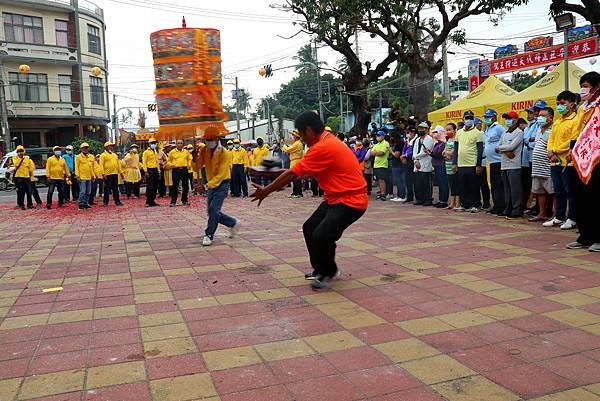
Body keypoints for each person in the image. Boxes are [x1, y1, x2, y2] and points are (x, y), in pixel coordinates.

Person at [250, 111, 367, 290]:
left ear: (309, 130)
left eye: (301, 135)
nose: (302, 139)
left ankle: (328, 272)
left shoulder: (323, 147)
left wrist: (266, 190)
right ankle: (321, 268)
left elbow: (292, 173)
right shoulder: (325, 140)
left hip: (351, 200)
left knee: (322, 235)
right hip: (335, 197)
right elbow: (303, 172)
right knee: (310, 227)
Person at [567, 71, 600, 251]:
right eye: (582, 86)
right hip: (580, 156)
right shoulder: (583, 107)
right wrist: (572, 149)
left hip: (596, 158)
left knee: (595, 198)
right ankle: (584, 235)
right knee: (580, 197)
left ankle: (598, 237)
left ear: (596, 88)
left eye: (586, 86)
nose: (583, 90)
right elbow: (577, 130)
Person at [196, 128, 240, 246]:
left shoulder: (224, 153)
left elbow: (221, 174)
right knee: (211, 212)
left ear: (217, 139)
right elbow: (198, 166)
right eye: (206, 139)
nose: (208, 141)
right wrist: (196, 157)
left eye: (210, 139)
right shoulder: (204, 150)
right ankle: (232, 223)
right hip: (211, 184)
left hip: (222, 183)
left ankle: (209, 234)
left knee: (214, 210)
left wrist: (206, 186)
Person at [544, 91, 579, 230]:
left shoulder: (576, 120)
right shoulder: (558, 121)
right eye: (558, 104)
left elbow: (572, 140)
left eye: (563, 103)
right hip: (554, 161)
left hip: (568, 162)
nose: (560, 106)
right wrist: (550, 150)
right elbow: (551, 138)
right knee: (558, 191)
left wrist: (556, 150)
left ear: (571, 104)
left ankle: (572, 217)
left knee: (570, 191)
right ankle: (559, 216)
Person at [453, 110, 484, 212]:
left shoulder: (477, 133)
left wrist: (478, 165)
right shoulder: (459, 132)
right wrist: (454, 163)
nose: (469, 120)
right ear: (463, 119)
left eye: (471, 118)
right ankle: (464, 204)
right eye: (467, 118)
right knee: (462, 185)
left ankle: (475, 204)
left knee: (473, 186)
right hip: (461, 163)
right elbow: (456, 148)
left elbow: (480, 150)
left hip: (472, 163)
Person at [496, 111, 524, 219]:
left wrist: (503, 148)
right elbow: (497, 147)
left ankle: (517, 209)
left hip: (514, 164)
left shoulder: (519, 132)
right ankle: (508, 208)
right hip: (504, 164)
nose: (507, 120)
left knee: (515, 188)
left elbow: (512, 147)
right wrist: (505, 150)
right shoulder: (505, 133)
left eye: (510, 118)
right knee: (507, 188)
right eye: (506, 118)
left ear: (516, 120)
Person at [529, 107, 554, 223]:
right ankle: (542, 213)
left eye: (543, 116)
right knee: (539, 192)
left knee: (552, 191)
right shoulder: (539, 130)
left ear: (550, 118)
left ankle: (556, 215)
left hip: (547, 166)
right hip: (537, 167)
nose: (540, 118)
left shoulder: (553, 130)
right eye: (539, 115)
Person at [523, 100, 547, 215]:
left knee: (545, 185)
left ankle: (544, 209)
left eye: (538, 110)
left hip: (542, 157)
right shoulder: (532, 125)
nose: (536, 113)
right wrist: (531, 140)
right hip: (531, 157)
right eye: (535, 110)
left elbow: (536, 140)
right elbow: (527, 140)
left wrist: (532, 140)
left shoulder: (544, 125)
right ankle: (537, 207)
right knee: (536, 185)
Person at [482, 108, 506, 214]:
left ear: (494, 117)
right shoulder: (487, 129)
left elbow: (505, 138)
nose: (486, 119)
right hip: (491, 162)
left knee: (499, 185)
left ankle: (501, 206)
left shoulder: (499, 128)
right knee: (494, 185)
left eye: (488, 117)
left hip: (499, 160)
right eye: (485, 117)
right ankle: (496, 205)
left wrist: (500, 147)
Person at [413, 122, 434, 206]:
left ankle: (427, 199)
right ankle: (419, 199)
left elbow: (425, 151)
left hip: (426, 162)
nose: (420, 130)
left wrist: (416, 157)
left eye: (423, 129)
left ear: (427, 129)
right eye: (419, 129)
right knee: (418, 183)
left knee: (426, 183)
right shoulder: (417, 140)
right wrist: (415, 160)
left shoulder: (429, 139)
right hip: (417, 162)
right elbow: (414, 150)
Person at [168, 139, 192, 207]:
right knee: (175, 186)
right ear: (176, 144)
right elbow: (169, 161)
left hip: (184, 169)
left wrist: (189, 165)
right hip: (176, 170)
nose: (180, 144)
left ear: (183, 144)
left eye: (181, 143)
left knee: (186, 186)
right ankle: (173, 201)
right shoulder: (172, 152)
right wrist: (172, 165)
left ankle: (184, 200)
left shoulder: (186, 152)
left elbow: (190, 159)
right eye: (178, 143)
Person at [99, 141, 123, 206]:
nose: (111, 147)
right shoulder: (103, 155)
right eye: (110, 146)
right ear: (106, 147)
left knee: (115, 189)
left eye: (112, 146)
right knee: (107, 189)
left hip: (115, 173)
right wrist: (103, 174)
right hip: (107, 174)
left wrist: (121, 172)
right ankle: (105, 202)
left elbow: (118, 164)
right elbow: (101, 165)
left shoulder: (114, 155)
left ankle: (117, 201)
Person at [430, 125, 448, 208]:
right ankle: (440, 200)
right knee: (439, 183)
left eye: (436, 132)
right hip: (436, 165)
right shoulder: (437, 143)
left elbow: (439, 154)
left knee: (443, 183)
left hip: (441, 165)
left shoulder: (443, 143)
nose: (434, 134)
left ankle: (444, 200)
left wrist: (430, 153)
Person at [11, 145, 34, 210]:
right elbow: (16, 164)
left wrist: (31, 173)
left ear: (24, 151)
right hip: (19, 176)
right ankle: (21, 205)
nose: (20, 152)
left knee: (29, 191)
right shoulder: (15, 158)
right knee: (21, 191)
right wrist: (20, 158)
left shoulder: (27, 158)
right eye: (19, 151)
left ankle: (30, 204)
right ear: (17, 152)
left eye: (21, 151)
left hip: (26, 176)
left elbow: (30, 166)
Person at [283, 130, 305, 198]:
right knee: (294, 178)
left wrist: (284, 145)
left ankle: (298, 193)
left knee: (296, 178)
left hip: (296, 161)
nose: (292, 136)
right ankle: (295, 192)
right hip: (294, 161)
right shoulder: (297, 143)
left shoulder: (297, 144)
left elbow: (288, 149)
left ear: (296, 136)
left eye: (293, 135)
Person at [75, 142, 96, 209]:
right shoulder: (78, 157)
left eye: (87, 148)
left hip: (89, 176)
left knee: (88, 191)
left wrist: (93, 176)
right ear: (81, 149)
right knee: (82, 191)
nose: (85, 149)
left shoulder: (91, 157)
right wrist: (77, 176)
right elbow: (76, 167)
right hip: (82, 177)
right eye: (84, 148)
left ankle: (85, 203)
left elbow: (92, 167)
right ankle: (81, 204)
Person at [371, 130, 390, 201]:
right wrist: (376, 152)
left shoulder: (386, 143)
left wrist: (375, 152)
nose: (377, 137)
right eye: (377, 136)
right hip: (376, 165)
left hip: (383, 165)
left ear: (383, 136)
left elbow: (381, 153)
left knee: (382, 180)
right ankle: (381, 192)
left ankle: (383, 194)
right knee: (378, 180)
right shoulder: (376, 144)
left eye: (379, 135)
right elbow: (371, 153)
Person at [443, 123, 459, 209]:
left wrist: (447, 153)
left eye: (450, 129)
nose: (448, 131)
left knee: (456, 183)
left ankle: (457, 203)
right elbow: (443, 152)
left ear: (455, 130)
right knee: (451, 184)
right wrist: (446, 153)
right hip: (447, 164)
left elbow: (453, 152)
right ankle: (452, 203)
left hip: (454, 164)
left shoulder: (456, 140)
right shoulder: (448, 140)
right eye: (447, 130)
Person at [142, 138, 160, 207]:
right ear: (149, 144)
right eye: (152, 143)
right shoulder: (146, 152)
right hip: (150, 170)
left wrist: (158, 171)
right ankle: (148, 201)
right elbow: (144, 162)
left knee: (155, 186)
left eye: (154, 143)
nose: (154, 144)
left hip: (155, 170)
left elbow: (157, 162)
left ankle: (152, 201)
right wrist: (146, 171)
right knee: (150, 186)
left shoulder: (155, 151)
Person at [389, 133, 406, 202]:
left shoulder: (399, 144)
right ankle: (400, 194)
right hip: (399, 164)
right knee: (399, 180)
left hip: (397, 164)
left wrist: (391, 151)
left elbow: (396, 155)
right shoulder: (401, 142)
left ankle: (401, 195)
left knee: (399, 180)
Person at [401, 126, 416, 203]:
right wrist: (403, 156)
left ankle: (416, 196)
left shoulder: (416, 140)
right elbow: (404, 149)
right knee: (407, 179)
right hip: (406, 160)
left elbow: (413, 150)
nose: (407, 134)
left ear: (412, 132)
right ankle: (409, 196)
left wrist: (406, 155)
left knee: (414, 179)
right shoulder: (407, 140)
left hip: (412, 160)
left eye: (408, 132)